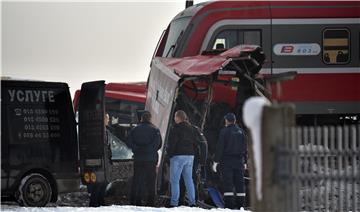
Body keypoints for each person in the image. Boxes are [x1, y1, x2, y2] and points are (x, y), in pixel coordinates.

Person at [126, 111, 162, 206]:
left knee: (137, 180)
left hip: (138, 159)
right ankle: (150, 202)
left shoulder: (134, 129)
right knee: (151, 182)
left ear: (141, 119)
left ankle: (134, 201)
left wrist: (137, 148)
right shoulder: (155, 130)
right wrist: (148, 149)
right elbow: (158, 145)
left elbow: (128, 142)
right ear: (150, 119)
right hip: (151, 160)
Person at [212, 113, 247, 209]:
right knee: (240, 183)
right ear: (235, 121)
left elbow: (220, 148)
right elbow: (245, 148)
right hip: (239, 162)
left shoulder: (224, 131)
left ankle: (229, 206)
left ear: (226, 121)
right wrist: (245, 162)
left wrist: (216, 162)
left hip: (227, 162)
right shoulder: (241, 132)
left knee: (228, 183)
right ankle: (241, 205)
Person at [167, 110, 198, 207]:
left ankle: (174, 203)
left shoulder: (176, 128)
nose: (174, 119)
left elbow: (173, 143)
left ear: (177, 117)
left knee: (175, 180)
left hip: (178, 156)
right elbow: (196, 142)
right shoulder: (192, 128)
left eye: (175, 117)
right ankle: (192, 202)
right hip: (190, 156)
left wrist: (170, 154)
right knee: (189, 180)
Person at [88, 113, 112, 207]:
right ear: (103, 119)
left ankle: (99, 201)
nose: (108, 120)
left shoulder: (105, 131)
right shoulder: (99, 131)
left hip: (105, 160)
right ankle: (94, 203)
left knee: (103, 182)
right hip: (100, 160)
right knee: (98, 183)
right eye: (107, 118)